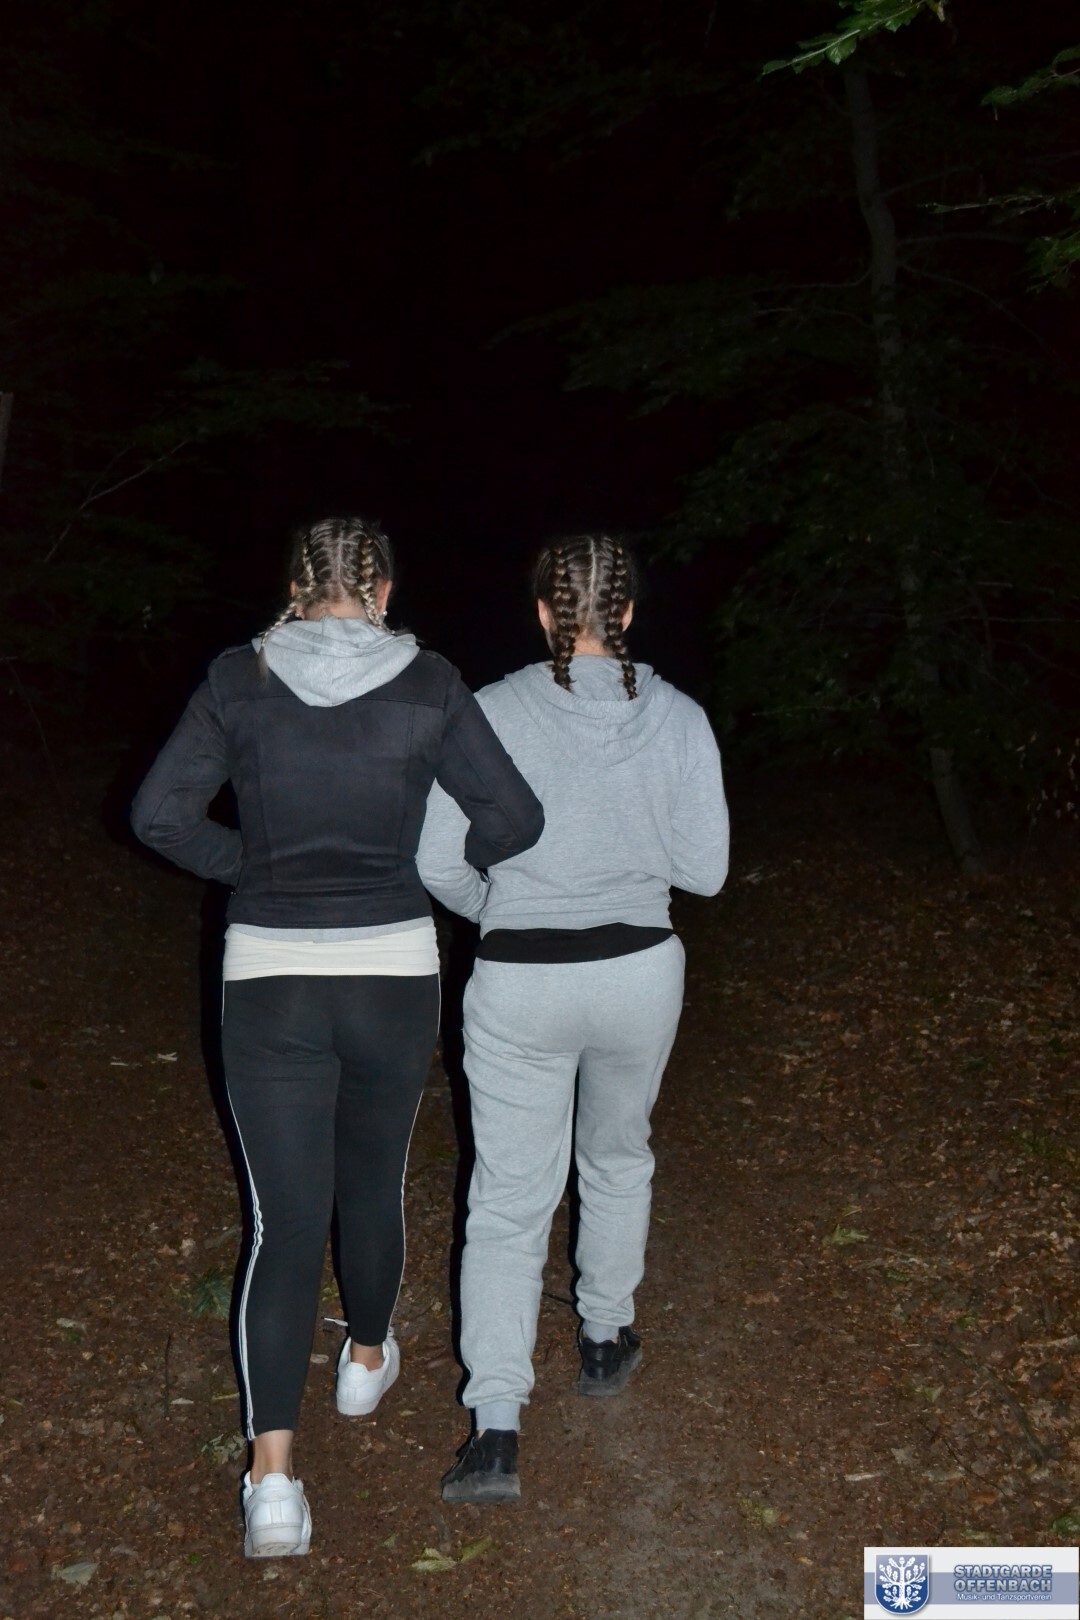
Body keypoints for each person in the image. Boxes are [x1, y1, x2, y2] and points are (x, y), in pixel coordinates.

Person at [130, 516, 543, 1556]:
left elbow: (160, 815)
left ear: (292, 588)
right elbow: (515, 817)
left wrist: (254, 866)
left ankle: (273, 1483)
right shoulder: (430, 684)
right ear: (384, 591)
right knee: (372, 1180)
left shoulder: (238, 679)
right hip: (391, 971)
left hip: (269, 977)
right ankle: (364, 1361)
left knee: (281, 1225)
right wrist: (425, 870)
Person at [416, 534, 729, 1504]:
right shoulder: (679, 718)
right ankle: (602, 1337)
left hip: (522, 982)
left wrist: (507, 907)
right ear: (627, 613)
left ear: (545, 613)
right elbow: (706, 872)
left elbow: (434, 859)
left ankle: (496, 1433)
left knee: (510, 1200)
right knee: (617, 1156)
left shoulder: (487, 712)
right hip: (638, 973)